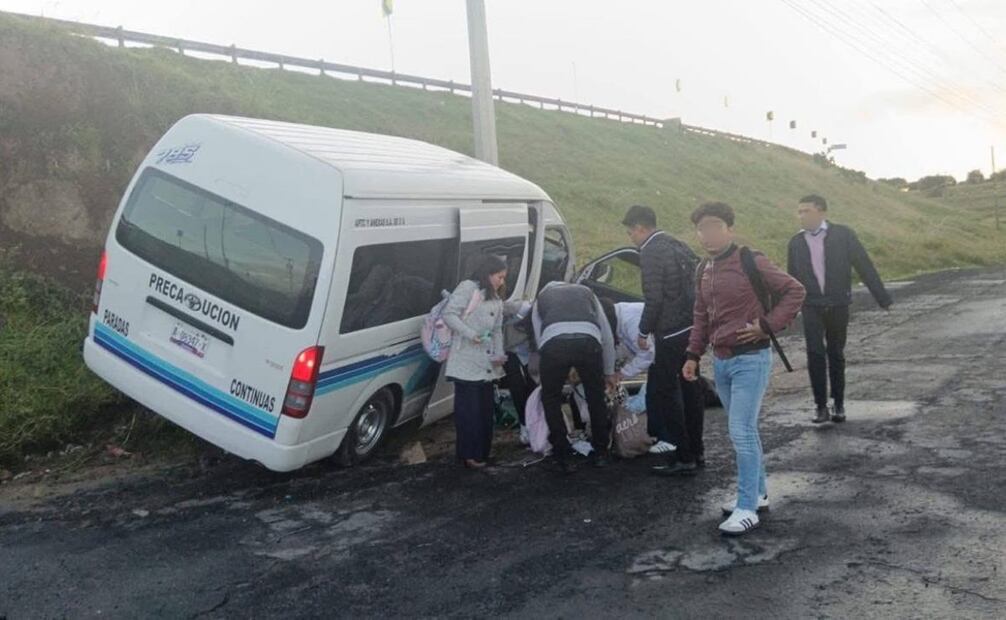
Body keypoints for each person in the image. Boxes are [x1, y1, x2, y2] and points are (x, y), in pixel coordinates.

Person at [683, 202, 805, 536]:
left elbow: (795, 291)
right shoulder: (703, 270)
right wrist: (693, 355)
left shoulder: (750, 259)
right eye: (701, 228)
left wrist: (767, 325)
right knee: (744, 430)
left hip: (751, 358)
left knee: (741, 431)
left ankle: (747, 506)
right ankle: (758, 494)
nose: (707, 234)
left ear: (729, 229)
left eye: (714, 226)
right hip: (720, 360)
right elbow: (700, 316)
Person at [787, 194, 893, 424]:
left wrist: (882, 298)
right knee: (814, 353)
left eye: (807, 211)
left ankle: (838, 403)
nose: (802, 216)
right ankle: (820, 406)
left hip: (838, 303)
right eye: (800, 212)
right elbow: (791, 280)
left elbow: (864, 265)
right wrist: (787, 310)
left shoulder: (843, 235)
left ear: (821, 212)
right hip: (811, 304)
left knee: (835, 353)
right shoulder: (796, 242)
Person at [621, 204, 706, 473]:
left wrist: (643, 331)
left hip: (669, 332)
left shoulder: (650, 252)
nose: (631, 238)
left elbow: (654, 298)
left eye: (630, 232)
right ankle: (697, 450)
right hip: (691, 328)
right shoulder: (678, 245)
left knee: (665, 392)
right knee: (691, 389)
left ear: (640, 228)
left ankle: (683, 455)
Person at [531, 281, 618, 474]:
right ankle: (601, 451)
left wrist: (546, 371)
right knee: (596, 397)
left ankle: (562, 453)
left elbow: (540, 336)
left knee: (551, 398)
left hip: (554, 344)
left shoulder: (541, 298)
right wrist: (610, 371)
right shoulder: (587, 292)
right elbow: (605, 332)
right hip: (589, 341)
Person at [442, 255, 508, 469]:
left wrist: (499, 353)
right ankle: (469, 454)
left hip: (486, 362)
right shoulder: (468, 288)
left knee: (484, 411)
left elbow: (498, 329)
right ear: (488, 273)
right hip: (466, 359)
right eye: (499, 277)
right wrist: (470, 334)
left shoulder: (497, 299)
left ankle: (482, 453)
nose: (501, 281)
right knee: (469, 411)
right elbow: (450, 315)